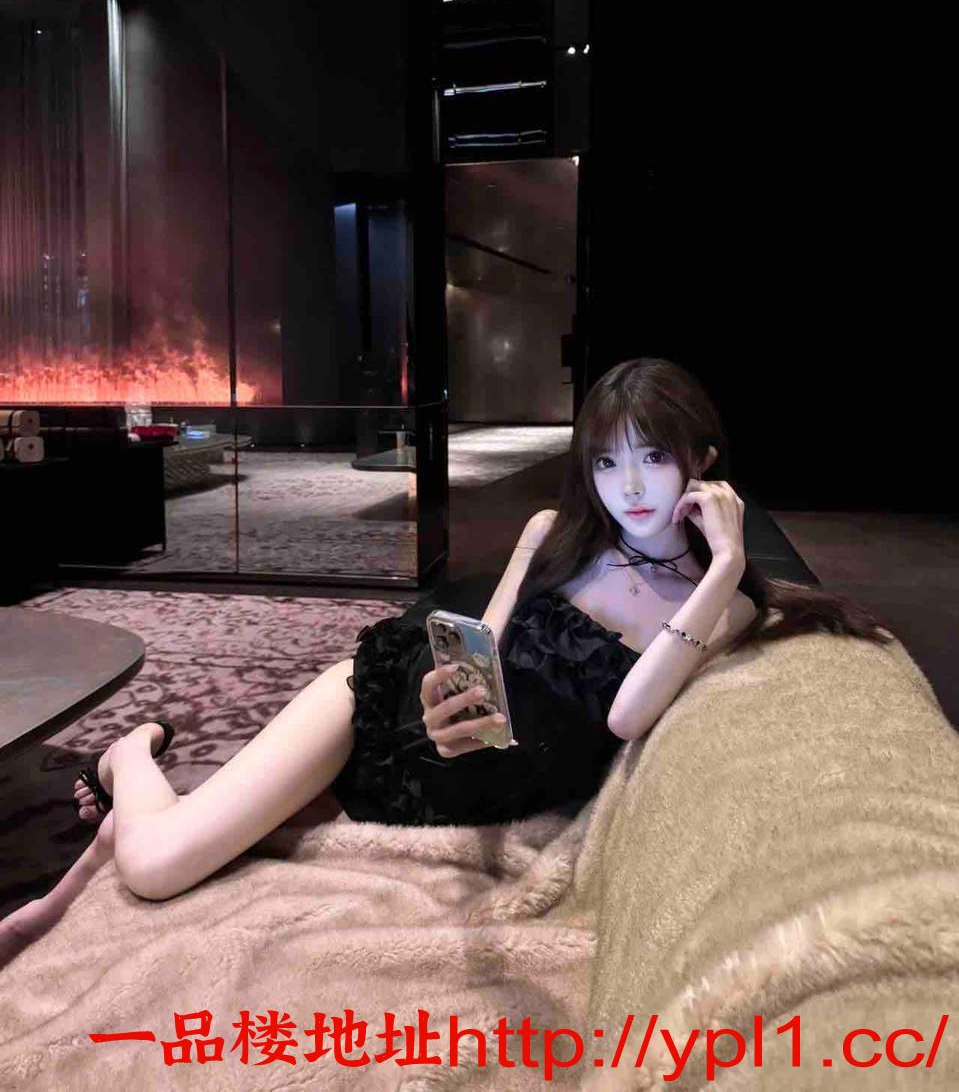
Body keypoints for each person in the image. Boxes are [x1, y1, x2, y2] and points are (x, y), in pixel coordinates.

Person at [1, 357, 893, 958]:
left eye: (653, 458)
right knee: (161, 868)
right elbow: (482, 648)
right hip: (386, 709)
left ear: (702, 462)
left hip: (469, 785)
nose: (627, 486)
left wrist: (725, 563)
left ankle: (105, 844)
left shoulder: (721, 604)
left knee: (209, 840)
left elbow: (627, 716)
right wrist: (443, 693)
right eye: (606, 462)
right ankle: (130, 751)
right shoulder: (555, 533)